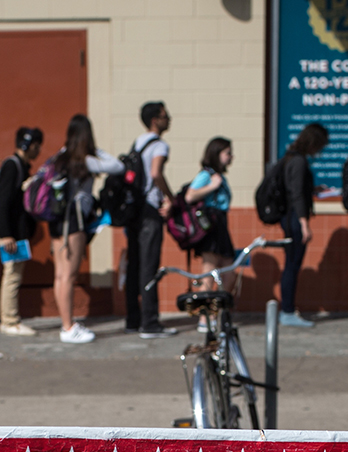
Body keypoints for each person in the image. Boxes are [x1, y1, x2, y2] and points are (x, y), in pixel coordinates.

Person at [48, 114, 123, 344]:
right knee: (69, 276)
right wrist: (95, 150)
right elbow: (117, 166)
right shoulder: (86, 160)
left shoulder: (60, 157)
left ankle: (66, 324)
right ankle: (68, 327)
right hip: (74, 220)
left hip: (57, 220)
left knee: (60, 275)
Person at [124, 101, 177, 339]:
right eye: (165, 116)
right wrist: (171, 198)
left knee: (135, 266)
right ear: (155, 120)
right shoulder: (160, 145)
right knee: (149, 266)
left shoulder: (138, 142)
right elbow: (156, 173)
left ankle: (133, 319)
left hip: (134, 211)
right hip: (149, 210)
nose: (169, 119)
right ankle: (150, 323)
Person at [185, 136, 238, 332]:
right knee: (209, 274)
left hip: (221, 226)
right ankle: (204, 318)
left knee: (229, 274)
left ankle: (217, 312)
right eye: (227, 153)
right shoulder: (207, 175)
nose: (231, 157)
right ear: (217, 154)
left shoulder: (219, 176)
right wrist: (212, 186)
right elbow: (190, 195)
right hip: (210, 228)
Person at [0, 126, 43, 336]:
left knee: (15, 275)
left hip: (18, 234)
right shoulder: (11, 166)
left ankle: (11, 319)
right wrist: (5, 234)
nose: (38, 151)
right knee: (12, 276)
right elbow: (3, 202)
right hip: (11, 235)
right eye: (36, 146)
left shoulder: (22, 167)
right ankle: (9, 321)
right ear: (28, 145)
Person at [279, 122, 328, 326]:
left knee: (291, 264)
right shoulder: (299, 161)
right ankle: (287, 311)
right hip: (294, 219)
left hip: (290, 217)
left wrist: (313, 189)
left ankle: (288, 309)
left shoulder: (291, 158)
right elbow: (297, 194)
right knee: (292, 265)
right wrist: (304, 224)